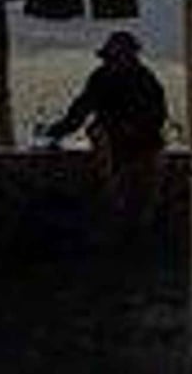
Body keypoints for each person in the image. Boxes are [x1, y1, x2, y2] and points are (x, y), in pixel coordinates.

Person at [44, 30, 167, 235]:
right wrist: (58, 131)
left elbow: (157, 116)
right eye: (113, 57)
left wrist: (131, 130)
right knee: (119, 199)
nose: (115, 62)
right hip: (116, 147)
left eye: (119, 57)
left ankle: (135, 231)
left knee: (142, 202)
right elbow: (80, 110)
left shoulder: (144, 80)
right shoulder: (102, 78)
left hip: (143, 148)